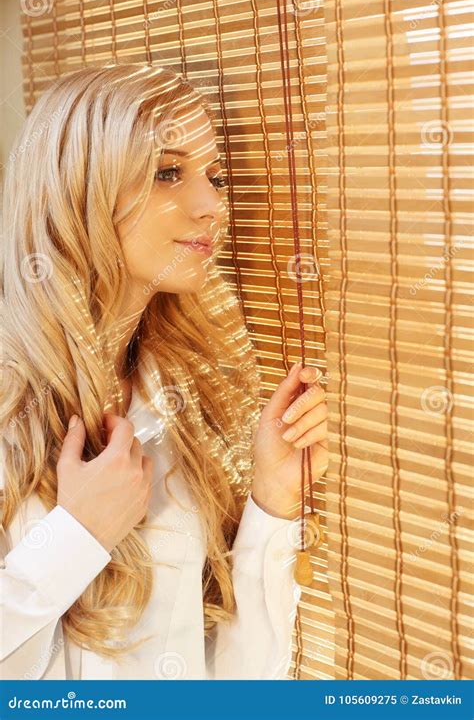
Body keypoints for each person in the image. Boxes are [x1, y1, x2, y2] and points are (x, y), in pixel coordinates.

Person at [0, 63, 328, 680]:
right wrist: (77, 537)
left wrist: (273, 504)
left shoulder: (180, 405)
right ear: (79, 188)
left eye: (216, 176)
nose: (212, 206)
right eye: (168, 172)